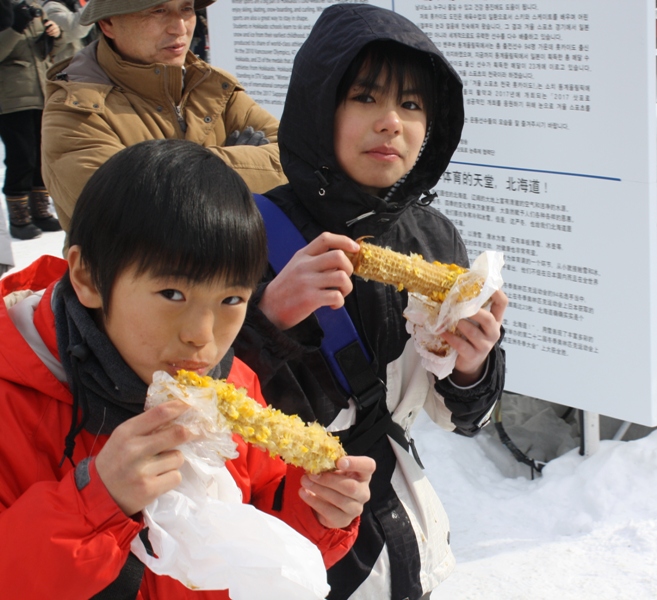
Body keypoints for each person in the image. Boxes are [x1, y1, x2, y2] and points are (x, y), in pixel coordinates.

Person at [0, 138, 375, 598]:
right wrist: (95, 501)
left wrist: (316, 511)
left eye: (231, 300)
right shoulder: (11, 400)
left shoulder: (235, 380)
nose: (203, 335)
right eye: (172, 295)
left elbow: (254, 526)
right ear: (88, 278)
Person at [233, 5, 508, 599]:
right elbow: (189, 399)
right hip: (282, 525)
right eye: (364, 97)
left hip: (403, 531)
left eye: (412, 105)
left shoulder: (434, 238)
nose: (391, 123)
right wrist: (266, 320)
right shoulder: (244, 233)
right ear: (319, 106)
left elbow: (467, 417)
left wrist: (471, 366)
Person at [41, 0, 287, 233]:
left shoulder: (212, 86)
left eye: (186, 8)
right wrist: (228, 168)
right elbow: (132, 218)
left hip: (240, 270)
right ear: (108, 24)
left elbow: (296, 160)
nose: (179, 27)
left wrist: (180, 177)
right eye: (157, 11)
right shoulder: (75, 109)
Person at [0, 0, 62, 239]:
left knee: (41, 154)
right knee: (22, 156)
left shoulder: (33, 6)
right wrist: (15, 27)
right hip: (12, 97)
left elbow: (46, 54)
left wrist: (53, 35)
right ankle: (19, 217)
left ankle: (40, 212)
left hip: (42, 92)